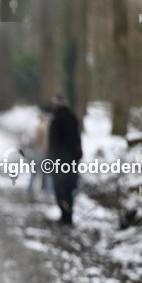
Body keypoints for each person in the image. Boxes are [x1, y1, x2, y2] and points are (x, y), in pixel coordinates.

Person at [47, 94, 83, 225]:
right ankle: (68, 216)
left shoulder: (56, 120)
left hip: (59, 162)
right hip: (72, 161)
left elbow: (53, 144)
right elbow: (78, 140)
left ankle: (65, 215)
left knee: (59, 189)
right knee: (69, 188)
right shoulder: (73, 118)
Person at [26, 106, 52, 196]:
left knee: (34, 173)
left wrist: (31, 143)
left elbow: (37, 139)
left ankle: (30, 191)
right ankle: (47, 193)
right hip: (47, 153)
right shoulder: (50, 125)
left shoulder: (42, 125)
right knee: (47, 174)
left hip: (39, 152)